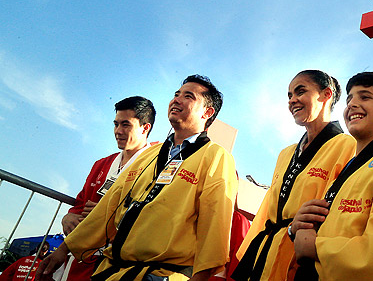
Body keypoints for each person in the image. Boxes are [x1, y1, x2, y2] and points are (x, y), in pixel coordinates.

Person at [36, 75, 238, 281]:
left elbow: (215, 222)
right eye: (176, 94)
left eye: (188, 96)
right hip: (111, 271)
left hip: (161, 274)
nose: (176, 99)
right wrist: (64, 249)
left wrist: (200, 277)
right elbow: (108, 206)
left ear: (208, 112)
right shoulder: (150, 154)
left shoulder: (216, 156)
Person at [232, 70, 356, 281]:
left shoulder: (347, 145)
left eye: (300, 91)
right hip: (268, 250)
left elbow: (340, 211)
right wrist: (250, 254)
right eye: (289, 95)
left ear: (326, 94)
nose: (292, 100)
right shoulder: (286, 153)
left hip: (304, 256)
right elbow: (266, 212)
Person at [292, 71, 373, 280]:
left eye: (365, 97)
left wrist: (315, 246)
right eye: (349, 99)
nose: (352, 105)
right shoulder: (348, 169)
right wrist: (297, 226)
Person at [60, 96, 156, 280]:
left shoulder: (156, 164)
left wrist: (108, 214)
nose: (118, 131)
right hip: (83, 257)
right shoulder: (102, 164)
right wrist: (69, 216)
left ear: (145, 128)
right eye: (116, 124)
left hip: (121, 261)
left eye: (126, 125)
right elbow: (81, 204)